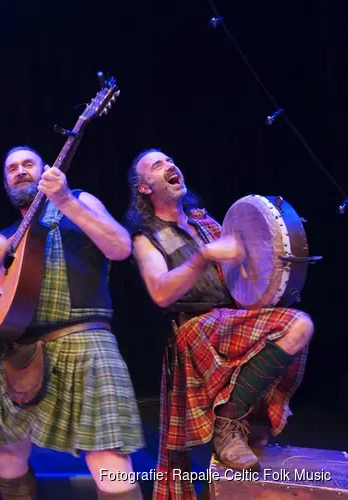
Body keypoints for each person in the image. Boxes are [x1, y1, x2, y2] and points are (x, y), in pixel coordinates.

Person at [0, 146, 146, 500]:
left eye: (29, 164)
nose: (20, 171)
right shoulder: (4, 240)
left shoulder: (78, 203)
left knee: (107, 456)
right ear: (5, 182)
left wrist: (66, 200)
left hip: (85, 342)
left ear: (45, 172)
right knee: (7, 453)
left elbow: (120, 247)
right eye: (12, 168)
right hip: (22, 352)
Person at [125, 149, 313, 499]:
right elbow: (160, 293)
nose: (169, 165)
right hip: (194, 330)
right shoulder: (145, 237)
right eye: (157, 165)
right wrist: (203, 256)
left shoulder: (203, 222)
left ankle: (237, 418)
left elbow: (245, 278)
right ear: (145, 188)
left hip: (229, 319)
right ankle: (228, 424)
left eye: (169, 160)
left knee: (298, 326)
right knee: (298, 325)